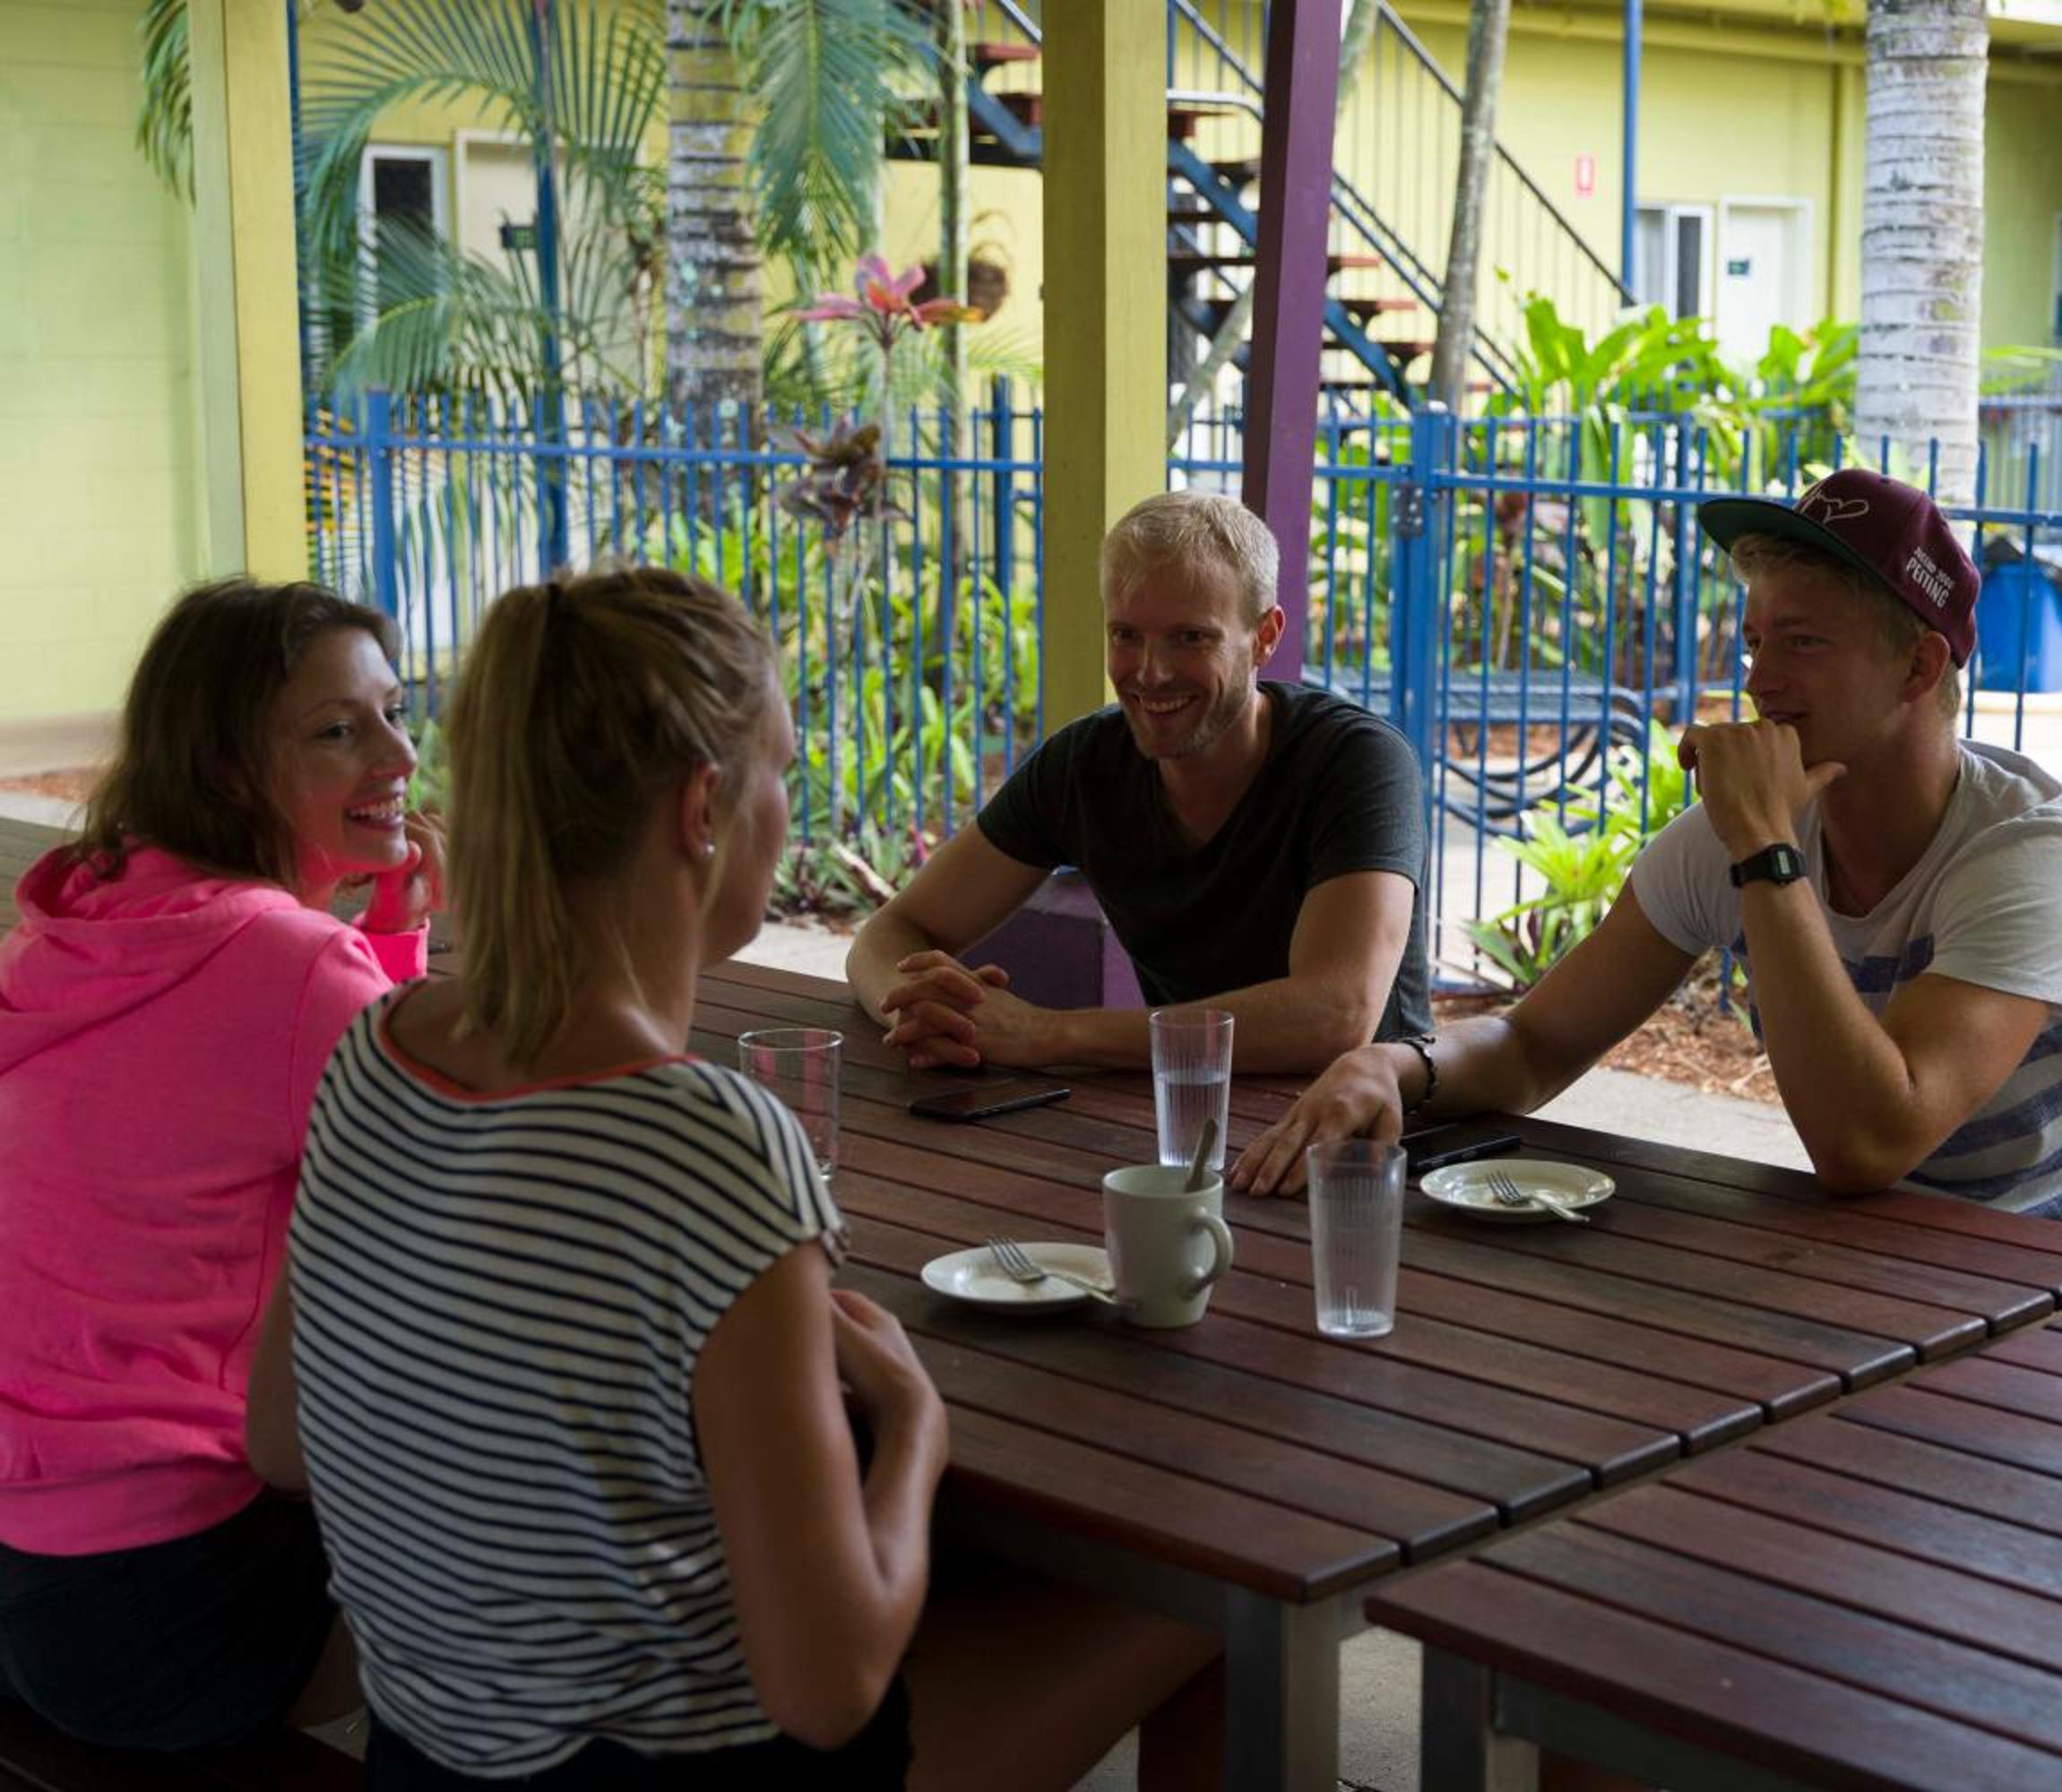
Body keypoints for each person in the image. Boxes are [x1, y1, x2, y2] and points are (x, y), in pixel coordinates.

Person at [245, 567, 1218, 1789]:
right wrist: (915, 1426)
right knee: (1208, 1587)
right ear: (705, 806)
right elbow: (827, 1691)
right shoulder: (709, 1146)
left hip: (426, 1762)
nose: (785, 806)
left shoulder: (373, 1056)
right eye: (782, 772)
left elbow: (279, 1442)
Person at [1236, 470, 2062, 1236]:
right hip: (1870, 1274)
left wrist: (1764, 848)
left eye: (1801, 642)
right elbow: (1534, 1040)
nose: (1757, 680)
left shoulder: (2033, 860)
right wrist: (1398, 1065)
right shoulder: (1743, 834)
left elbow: (1869, 1143)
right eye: (1757, 640)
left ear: (1918, 667)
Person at [0, 579, 439, 1746]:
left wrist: (378, 935)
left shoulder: (69, 930)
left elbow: (313, 1098)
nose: (397, 755)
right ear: (227, 769)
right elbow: (446, 1193)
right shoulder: (296, 970)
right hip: (169, 1611)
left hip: (28, 1572)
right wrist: (373, 946)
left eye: (396, 713)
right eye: (339, 731)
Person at [846, 489, 1431, 1074]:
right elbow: (890, 933)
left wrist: (1051, 1033)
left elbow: (1335, 1015)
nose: (1150, 672)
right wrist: (921, 1015)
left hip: (1371, 1139)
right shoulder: (1084, 765)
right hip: (1186, 1122)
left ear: (1264, 636)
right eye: (1126, 635)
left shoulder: (1358, 763)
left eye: (1190, 637)